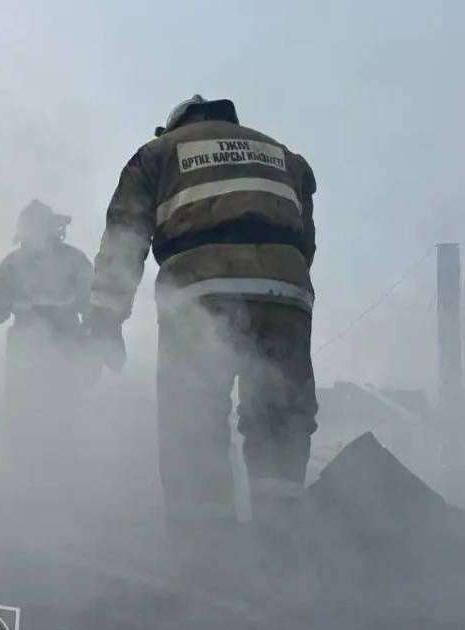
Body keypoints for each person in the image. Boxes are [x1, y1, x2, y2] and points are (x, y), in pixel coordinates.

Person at [84, 95, 318, 568]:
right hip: (286, 296)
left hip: (200, 293)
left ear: (175, 124)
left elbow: (126, 233)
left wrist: (106, 318)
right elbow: (305, 236)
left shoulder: (159, 153)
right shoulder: (284, 155)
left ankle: (205, 561)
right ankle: (280, 554)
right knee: (280, 419)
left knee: (192, 422)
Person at [0, 200, 93, 486]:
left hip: (65, 346)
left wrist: (91, 342)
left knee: (62, 411)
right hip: (25, 350)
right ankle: (24, 476)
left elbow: (93, 301)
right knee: (22, 409)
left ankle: (63, 476)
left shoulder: (74, 260)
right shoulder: (12, 263)